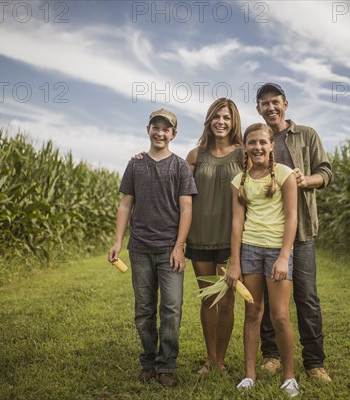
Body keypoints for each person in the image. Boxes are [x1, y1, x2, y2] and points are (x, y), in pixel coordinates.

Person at [108, 108, 198, 388]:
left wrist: (179, 246)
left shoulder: (181, 166)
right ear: (148, 129)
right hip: (140, 249)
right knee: (144, 309)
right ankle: (149, 360)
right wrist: (118, 241)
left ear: (174, 133)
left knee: (171, 308)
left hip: (169, 249)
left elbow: (186, 208)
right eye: (155, 127)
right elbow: (125, 204)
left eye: (166, 129)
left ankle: (166, 364)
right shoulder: (135, 165)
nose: (160, 133)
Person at [255, 83, 333, 383]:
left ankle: (314, 362)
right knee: (264, 301)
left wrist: (306, 180)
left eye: (276, 102)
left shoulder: (307, 135)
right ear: (258, 109)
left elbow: (326, 171)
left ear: (286, 104)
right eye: (265, 104)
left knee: (306, 298)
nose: (271, 108)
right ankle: (271, 356)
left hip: (300, 233)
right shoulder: (253, 138)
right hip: (263, 233)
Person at [225, 123, 300, 397]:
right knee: (253, 314)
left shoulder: (284, 175)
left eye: (262, 142)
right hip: (249, 250)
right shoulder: (238, 181)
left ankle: (289, 377)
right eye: (252, 142)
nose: (257, 147)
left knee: (279, 316)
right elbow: (236, 222)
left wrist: (283, 256)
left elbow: (292, 216)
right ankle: (249, 375)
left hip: (276, 252)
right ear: (245, 147)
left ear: (272, 146)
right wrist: (235, 262)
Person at [185, 98, 244, 374]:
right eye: (216, 116)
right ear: (209, 120)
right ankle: (210, 359)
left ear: (234, 123)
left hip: (230, 239)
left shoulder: (243, 155)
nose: (221, 122)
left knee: (227, 300)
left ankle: (221, 360)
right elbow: (178, 191)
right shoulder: (195, 156)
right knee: (207, 298)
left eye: (227, 117)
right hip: (199, 237)